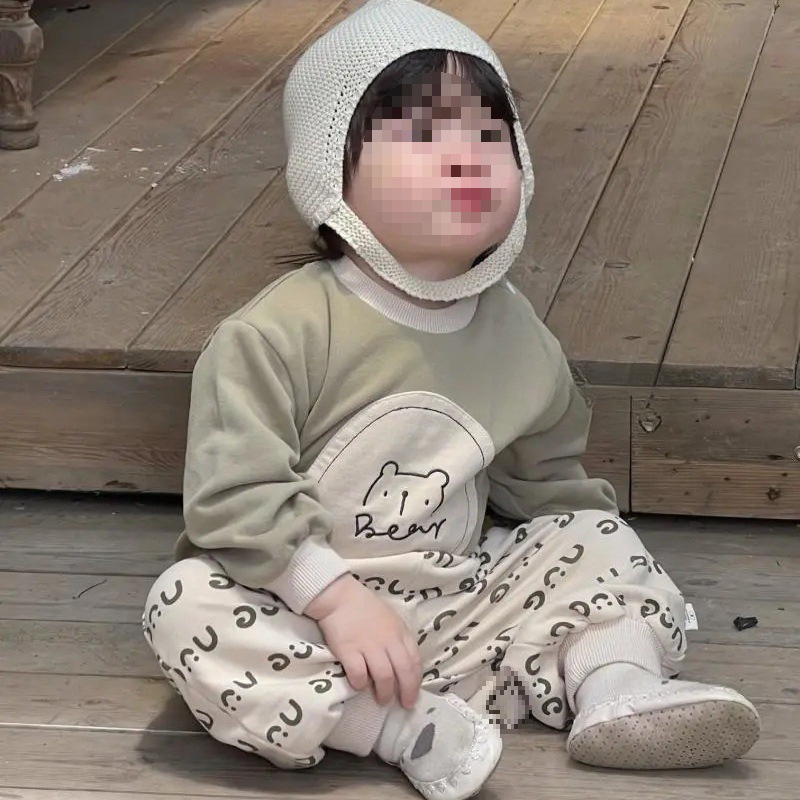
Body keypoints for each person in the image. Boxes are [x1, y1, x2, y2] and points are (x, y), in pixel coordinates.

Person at [142, 2, 760, 798]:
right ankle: (405, 728)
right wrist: (335, 600)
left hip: (459, 603)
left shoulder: (519, 336)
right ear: (331, 169)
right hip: (307, 613)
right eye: (423, 133)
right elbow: (234, 500)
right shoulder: (275, 333)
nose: (466, 158)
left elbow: (550, 490)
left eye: (490, 135)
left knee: (592, 532)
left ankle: (617, 689)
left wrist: (602, 575)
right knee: (182, 607)